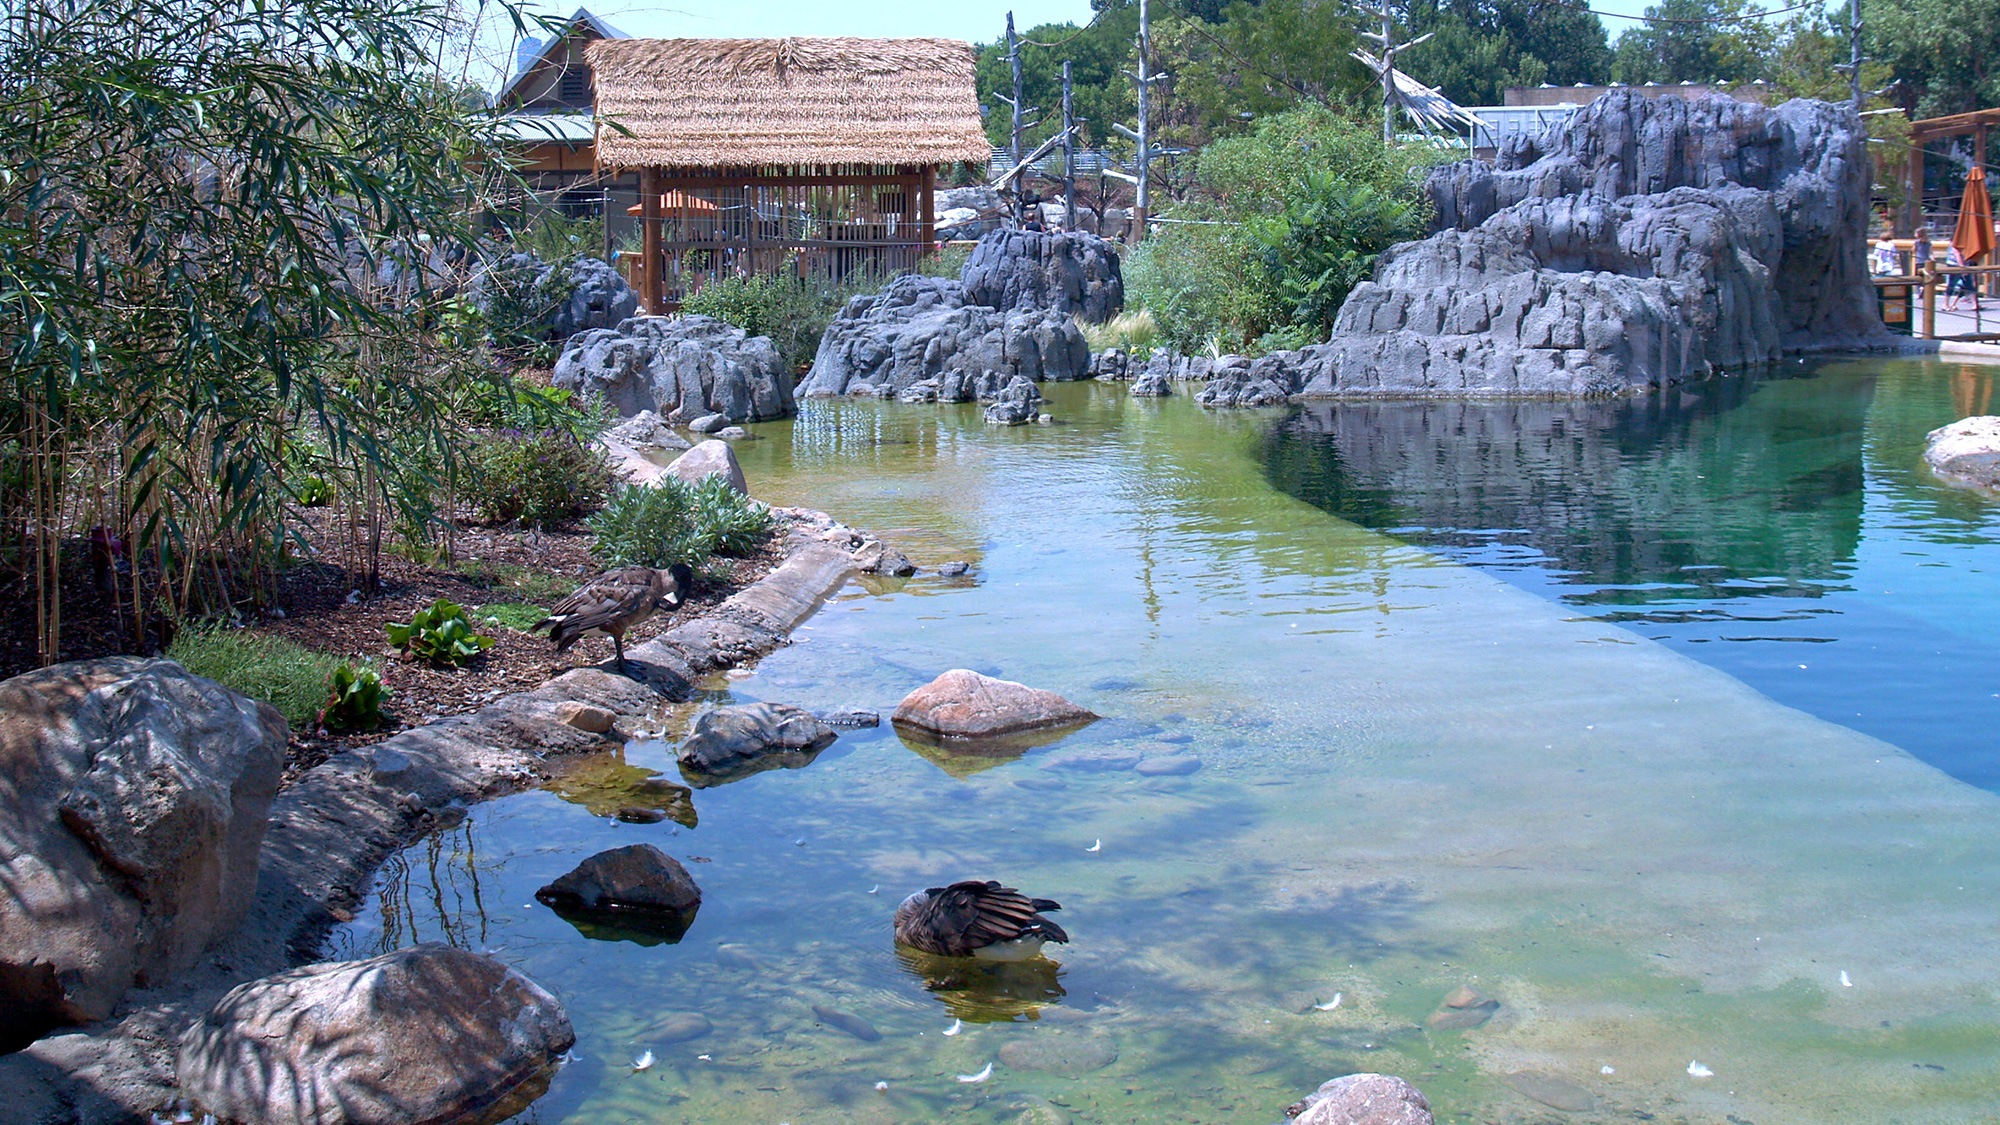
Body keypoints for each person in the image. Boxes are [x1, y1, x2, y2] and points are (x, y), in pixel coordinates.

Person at [1945, 243, 1979, 311]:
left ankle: (1975, 304)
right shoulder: (1954, 243)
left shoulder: (1967, 241)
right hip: (1954, 266)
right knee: (1952, 284)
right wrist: (1962, 268)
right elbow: (1957, 254)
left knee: (1969, 284)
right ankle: (1946, 304)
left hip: (1965, 265)